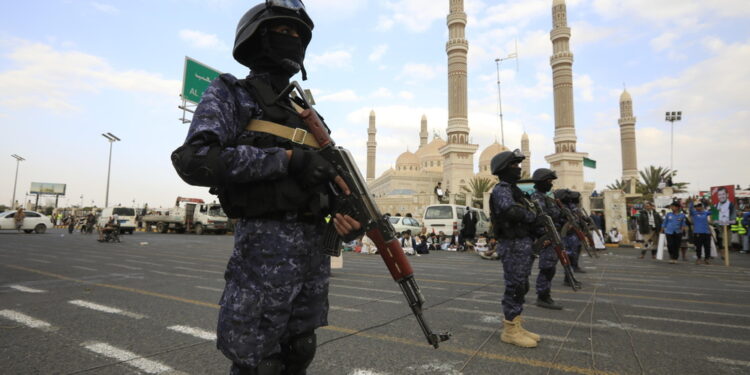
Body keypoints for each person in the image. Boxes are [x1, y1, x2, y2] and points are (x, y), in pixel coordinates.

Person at [170, 2, 363, 373]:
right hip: (263, 252)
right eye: (282, 31)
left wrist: (345, 216)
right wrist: (286, 159)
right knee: (261, 364)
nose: (291, 40)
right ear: (256, 38)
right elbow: (195, 160)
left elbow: (330, 179)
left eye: (297, 35)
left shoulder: (308, 113)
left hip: (313, 254)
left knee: (300, 349)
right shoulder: (232, 93)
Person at [489, 149, 543, 348]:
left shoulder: (515, 190)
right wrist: (532, 216)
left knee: (521, 285)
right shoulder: (502, 189)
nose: (518, 169)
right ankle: (510, 330)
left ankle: (516, 324)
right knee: (515, 286)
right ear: (503, 169)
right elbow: (509, 211)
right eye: (513, 165)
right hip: (512, 245)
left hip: (522, 244)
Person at [529, 168, 564, 310]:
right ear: (541, 182)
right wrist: (545, 236)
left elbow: (554, 215)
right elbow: (541, 218)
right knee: (547, 267)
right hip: (546, 236)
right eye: (549, 181)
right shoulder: (537, 198)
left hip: (552, 235)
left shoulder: (546, 198)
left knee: (550, 267)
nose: (551, 184)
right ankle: (542, 296)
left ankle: (545, 295)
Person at [555, 189, 586, 283]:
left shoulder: (569, 206)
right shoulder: (559, 208)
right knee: (567, 257)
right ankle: (568, 278)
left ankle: (570, 277)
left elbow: (575, 217)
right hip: (565, 236)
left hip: (572, 235)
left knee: (572, 256)